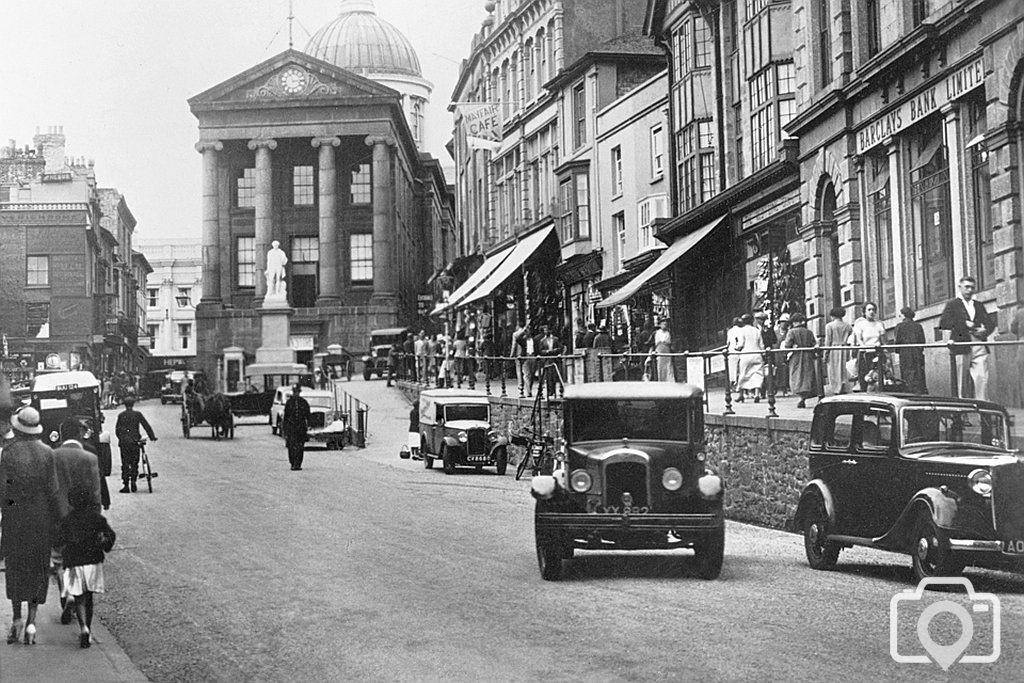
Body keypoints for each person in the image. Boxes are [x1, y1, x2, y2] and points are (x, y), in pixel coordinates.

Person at [0, 406, 66, 645]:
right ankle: (31, 622)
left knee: (15, 568)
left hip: (15, 519)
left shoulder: (8, 454)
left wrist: (8, 509)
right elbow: (53, 490)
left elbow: (3, 491)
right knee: (38, 568)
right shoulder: (48, 453)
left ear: (18, 428)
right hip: (41, 521)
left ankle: (16, 619)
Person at [52, 419, 103, 624]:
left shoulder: (53, 456)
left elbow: (51, 489)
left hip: (59, 517)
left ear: (63, 435)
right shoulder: (90, 458)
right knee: (81, 560)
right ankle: (77, 594)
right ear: (79, 434)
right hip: (83, 520)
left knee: (59, 560)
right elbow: (96, 493)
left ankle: (66, 592)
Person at [56, 485, 116, 649]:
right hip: (93, 562)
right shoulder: (97, 519)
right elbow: (110, 535)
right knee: (89, 598)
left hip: (74, 562)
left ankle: (83, 627)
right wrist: (104, 544)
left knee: (79, 597)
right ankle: (88, 628)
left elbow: (58, 540)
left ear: (71, 501)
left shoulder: (68, 520)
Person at [938, 276, 993, 401]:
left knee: (982, 379)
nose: (969, 290)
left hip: (979, 344)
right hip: (961, 344)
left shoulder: (978, 305)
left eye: (972, 287)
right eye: (966, 287)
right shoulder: (953, 304)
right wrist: (963, 323)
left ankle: (983, 412)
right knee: (961, 382)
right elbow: (943, 323)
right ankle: (962, 412)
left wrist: (985, 331)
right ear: (960, 287)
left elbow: (990, 323)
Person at [114, 397, 157, 493]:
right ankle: (133, 481)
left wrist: (122, 439)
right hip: (135, 442)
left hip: (124, 443)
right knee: (134, 463)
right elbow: (146, 426)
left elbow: (117, 430)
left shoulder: (121, 415)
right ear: (133, 404)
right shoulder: (137, 414)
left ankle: (126, 485)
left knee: (125, 463)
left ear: (124, 405)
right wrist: (152, 436)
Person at [782, 313, 818, 408]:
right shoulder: (809, 332)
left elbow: (787, 345)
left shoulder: (792, 332)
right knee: (807, 374)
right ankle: (805, 395)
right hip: (808, 355)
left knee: (797, 375)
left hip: (797, 355)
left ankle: (801, 397)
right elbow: (813, 343)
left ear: (794, 322)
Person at [850, 302, 887, 392]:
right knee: (864, 377)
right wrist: (865, 347)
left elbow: (883, 340)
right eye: (869, 310)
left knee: (877, 377)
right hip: (865, 353)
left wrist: (885, 351)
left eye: (873, 310)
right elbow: (859, 339)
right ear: (864, 312)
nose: (871, 312)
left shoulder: (879, 324)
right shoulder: (860, 324)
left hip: (877, 353)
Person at [895, 306, 928, 394]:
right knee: (918, 373)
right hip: (917, 353)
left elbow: (897, 341)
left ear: (903, 315)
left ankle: (908, 391)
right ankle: (919, 391)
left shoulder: (899, 326)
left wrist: (897, 351)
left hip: (905, 353)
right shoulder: (918, 326)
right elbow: (922, 341)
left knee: (907, 373)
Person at [732, 314, 765, 402]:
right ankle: (757, 394)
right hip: (757, 354)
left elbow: (740, 344)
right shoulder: (757, 331)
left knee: (743, 374)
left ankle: (741, 394)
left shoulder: (741, 331)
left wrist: (736, 347)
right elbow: (761, 344)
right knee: (758, 374)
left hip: (746, 354)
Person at [823, 306, 854, 395]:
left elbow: (828, 341)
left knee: (834, 370)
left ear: (832, 316)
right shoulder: (848, 326)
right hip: (845, 349)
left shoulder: (829, 326)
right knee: (844, 369)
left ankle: (836, 389)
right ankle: (844, 387)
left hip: (834, 349)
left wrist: (826, 354)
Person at [282, 384, 310, 471]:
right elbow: (286, 417)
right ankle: (293, 463)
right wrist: (285, 429)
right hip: (291, 428)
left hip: (301, 428)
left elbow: (307, 415)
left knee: (300, 446)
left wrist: (308, 426)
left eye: (297, 392)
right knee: (291, 446)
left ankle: (298, 463)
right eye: (295, 392)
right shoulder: (289, 403)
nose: (296, 394)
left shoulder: (303, 402)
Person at [536, 324, 564, 396]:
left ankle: (554, 390)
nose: (546, 331)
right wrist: (546, 351)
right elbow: (541, 350)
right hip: (547, 359)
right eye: (545, 330)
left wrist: (555, 350)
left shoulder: (555, 339)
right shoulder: (542, 340)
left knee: (554, 375)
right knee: (548, 376)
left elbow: (560, 348)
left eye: (547, 330)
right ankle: (549, 391)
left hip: (554, 359)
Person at [512, 323, 535, 397]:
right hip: (525, 357)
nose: (528, 332)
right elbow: (517, 337)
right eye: (527, 331)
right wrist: (523, 331)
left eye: (529, 330)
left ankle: (529, 389)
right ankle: (528, 392)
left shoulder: (534, 339)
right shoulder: (523, 340)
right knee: (527, 374)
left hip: (533, 357)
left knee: (532, 375)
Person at [773, 313, 792, 395]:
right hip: (776, 354)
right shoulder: (775, 332)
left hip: (785, 355)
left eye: (785, 322)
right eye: (782, 322)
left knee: (785, 371)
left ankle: (785, 389)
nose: (783, 324)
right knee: (776, 371)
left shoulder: (789, 333)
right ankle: (776, 388)